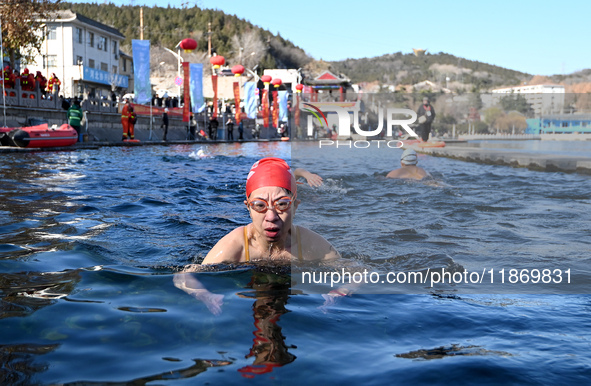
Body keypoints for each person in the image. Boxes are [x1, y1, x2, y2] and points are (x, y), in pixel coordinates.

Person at [173, 158, 344, 314]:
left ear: (296, 206)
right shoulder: (235, 245)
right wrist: (206, 296)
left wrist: (340, 292)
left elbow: (360, 272)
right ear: (248, 207)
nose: (271, 216)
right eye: (260, 205)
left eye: (282, 204)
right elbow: (183, 275)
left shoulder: (309, 243)